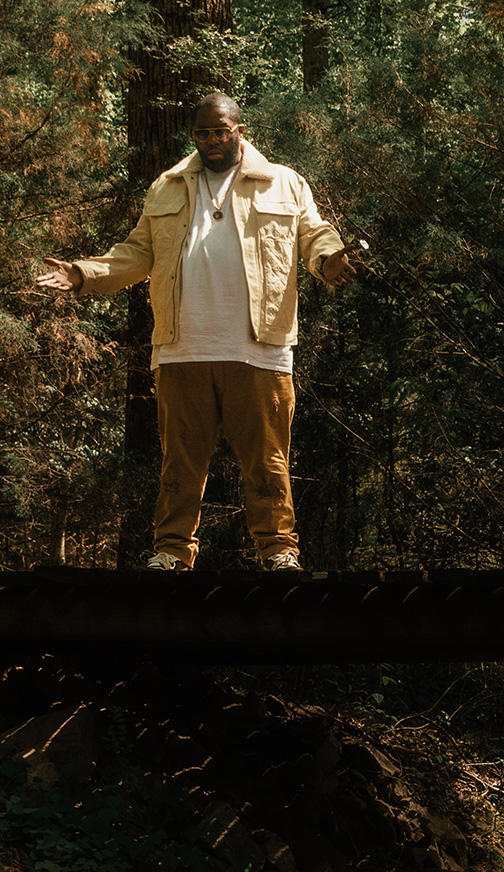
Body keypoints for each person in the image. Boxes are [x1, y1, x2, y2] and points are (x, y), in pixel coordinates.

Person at [36, 94, 355, 570]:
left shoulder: (282, 182)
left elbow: (314, 232)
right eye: (203, 133)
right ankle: (171, 552)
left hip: (260, 348)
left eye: (221, 130)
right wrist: (85, 273)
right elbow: (137, 252)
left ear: (240, 130)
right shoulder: (167, 185)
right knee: (180, 466)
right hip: (182, 346)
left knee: (268, 462)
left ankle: (278, 551)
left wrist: (329, 259)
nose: (212, 141)